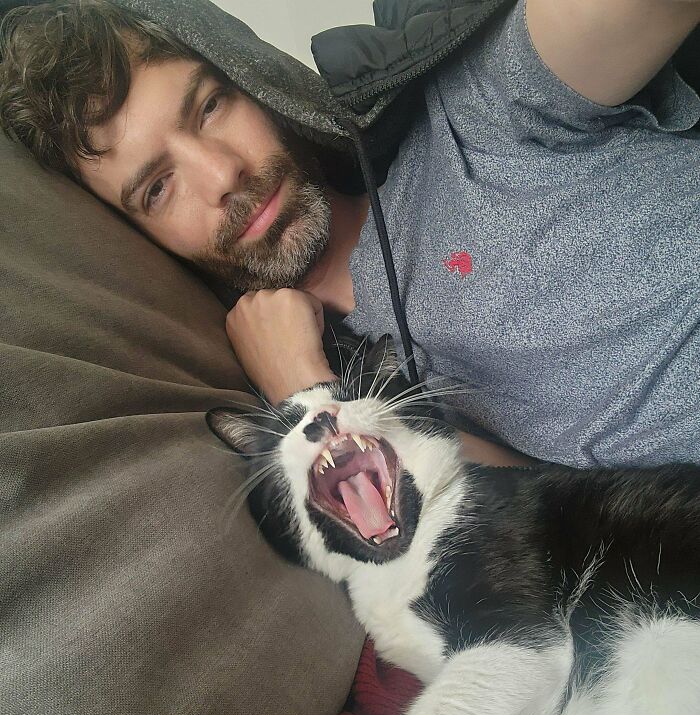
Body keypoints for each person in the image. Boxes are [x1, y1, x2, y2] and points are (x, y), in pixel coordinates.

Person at [1, 0, 699, 467]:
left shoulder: (477, 117)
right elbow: (533, 533)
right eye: (158, 187)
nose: (222, 174)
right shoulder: (340, 390)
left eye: (210, 106)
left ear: (255, 80)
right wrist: (309, 399)